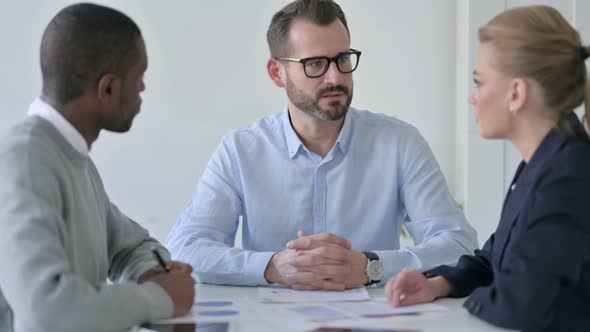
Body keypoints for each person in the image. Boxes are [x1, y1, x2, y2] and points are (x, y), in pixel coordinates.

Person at [166, 0, 477, 291]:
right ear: (277, 72)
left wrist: (372, 267)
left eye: (342, 59)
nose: (334, 78)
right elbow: (184, 248)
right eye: (315, 64)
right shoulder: (240, 150)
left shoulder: (400, 144)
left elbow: (459, 246)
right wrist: (270, 267)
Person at [385, 5, 590, 331]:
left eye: (479, 82)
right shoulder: (543, 163)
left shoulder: (570, 176)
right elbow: (494, 259)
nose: (472, 98)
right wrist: (439, 285)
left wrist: (472, 301)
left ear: (516, 93)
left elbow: (522, 304)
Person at [0, 4, 195, 332]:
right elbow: (47, 312)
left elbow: (133, 246)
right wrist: (158, 297)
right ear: (108, 88)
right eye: (139, 76)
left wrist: (149, 271)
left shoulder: (74, 159)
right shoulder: (25, 160)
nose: (143, 88)